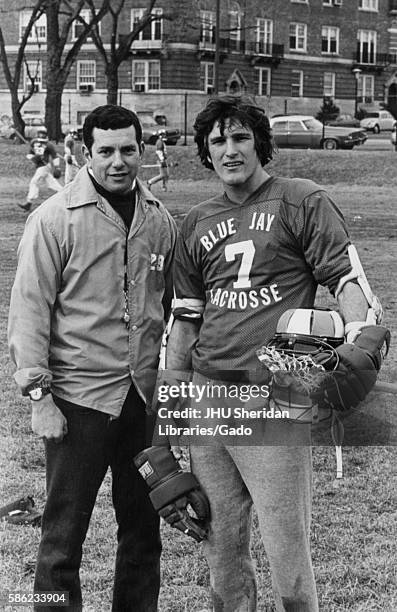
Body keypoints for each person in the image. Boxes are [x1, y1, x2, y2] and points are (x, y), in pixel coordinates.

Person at [160, 95, 388, 611]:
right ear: (206, 152)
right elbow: (185, 321)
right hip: (209, 397)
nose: (230, 149)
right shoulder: (195, 221)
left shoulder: (302, 198)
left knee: (286, 549)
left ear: (260, 143)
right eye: (218, 141)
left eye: (240, 137)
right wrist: (168, 415)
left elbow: (346, 278)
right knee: (221, 548)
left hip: (273, 398)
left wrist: (360, 337)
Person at [8, 104, 177, 611]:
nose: (118, 161)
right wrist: (40, 398)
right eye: (105, 151)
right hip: (79, 402)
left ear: (142, 151)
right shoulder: (53, 219)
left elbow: (168, 310)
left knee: (143, 536)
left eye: (128, 149)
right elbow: (29, 311)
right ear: (86, 153)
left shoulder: (159, 220)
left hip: (142, 402)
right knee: (62, 541)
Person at [19, 135, 62, 211]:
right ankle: (64, 192)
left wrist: (57, 167)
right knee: (52, 183)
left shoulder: (47, 145)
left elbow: (54, 156)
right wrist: (34, 157)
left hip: (43, 167)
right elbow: (30, 154)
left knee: (34, 182)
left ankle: (29, 202)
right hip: (43, 166)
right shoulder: (41, 144)